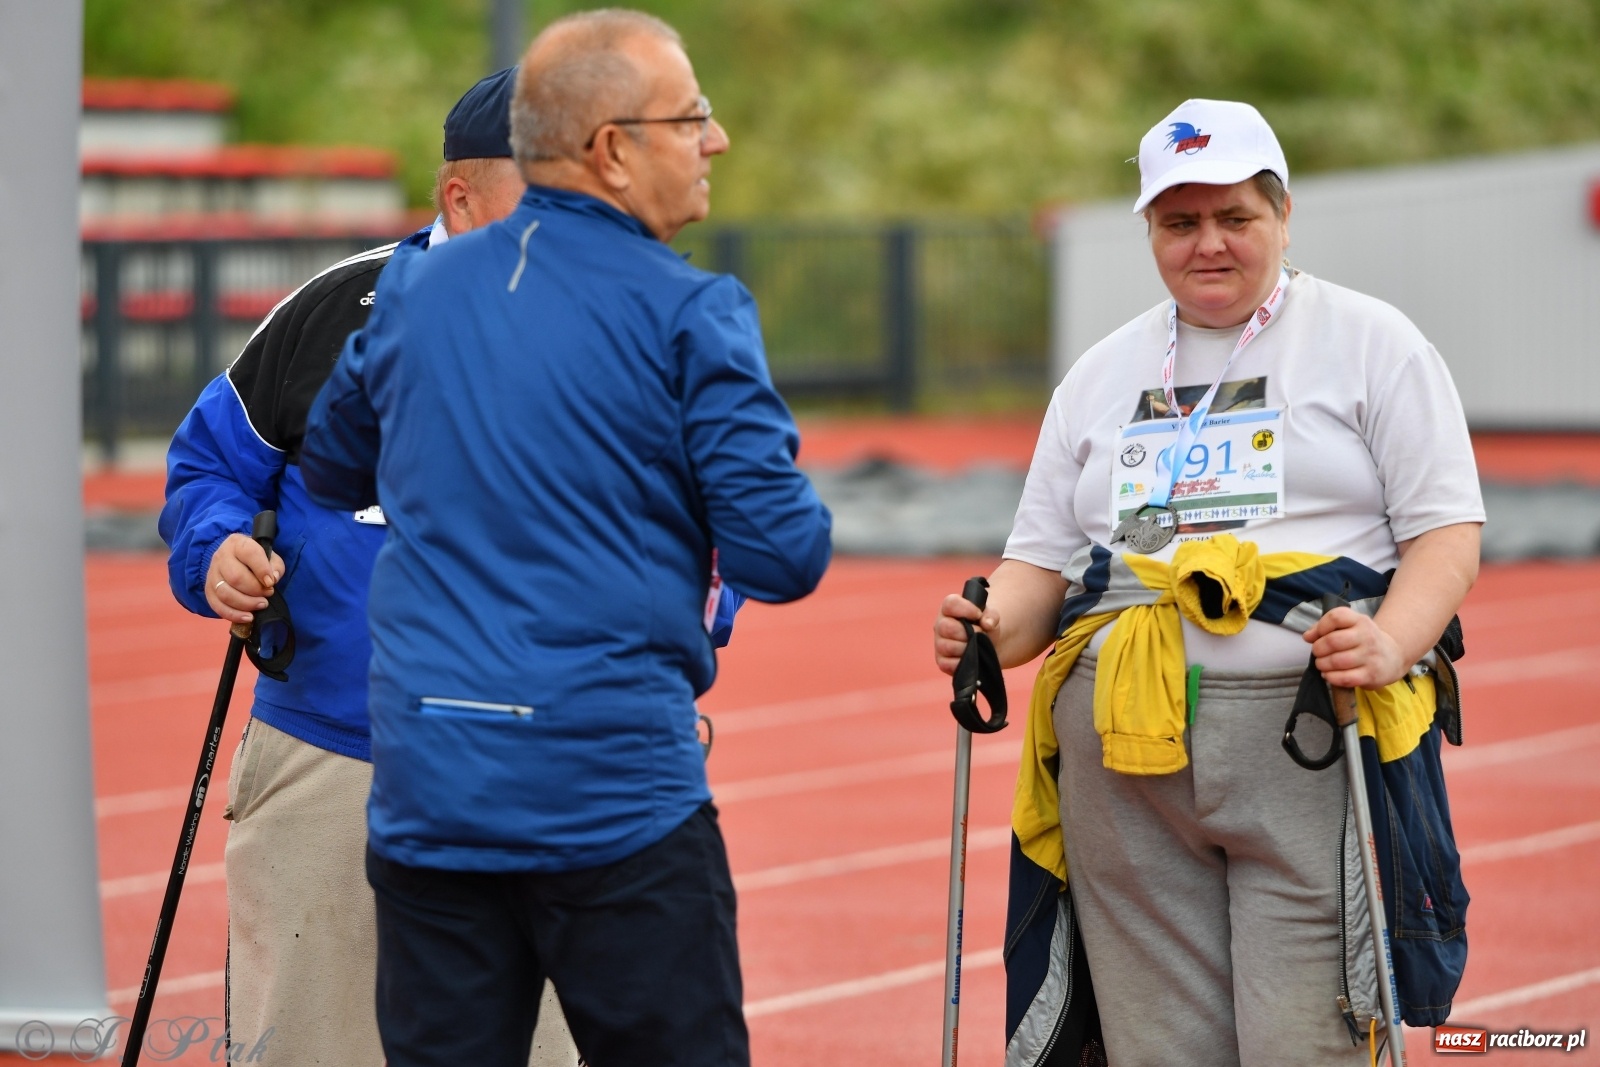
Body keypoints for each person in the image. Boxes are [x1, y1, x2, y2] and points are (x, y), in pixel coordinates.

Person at [298, 10, 831, 1067]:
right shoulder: (692, 312)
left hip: (430, 790)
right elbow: (783, 551)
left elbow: (330, 464)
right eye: (693, 118)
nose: (714, 140)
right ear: (614, 148)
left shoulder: (412, 288)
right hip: (613, 797)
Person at [934, 99, 1482, 1066]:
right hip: (1120, 758)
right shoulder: (1101, 374)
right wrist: (987, 627)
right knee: (1156, 1048)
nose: (1210, 245)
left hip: (1306, 741)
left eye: (1235, 217)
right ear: (1149, 228)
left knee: (1303, 1042)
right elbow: (1039, 566)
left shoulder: (1372, 341)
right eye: (1181, 223)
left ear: (1282, 214)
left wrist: (1393, 640)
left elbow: (1445, 534)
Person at [159, 67, 585, 1067]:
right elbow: (209, 466)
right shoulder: (333, 308)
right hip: (332, 749)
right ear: (460, 197)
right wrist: (215, 548)